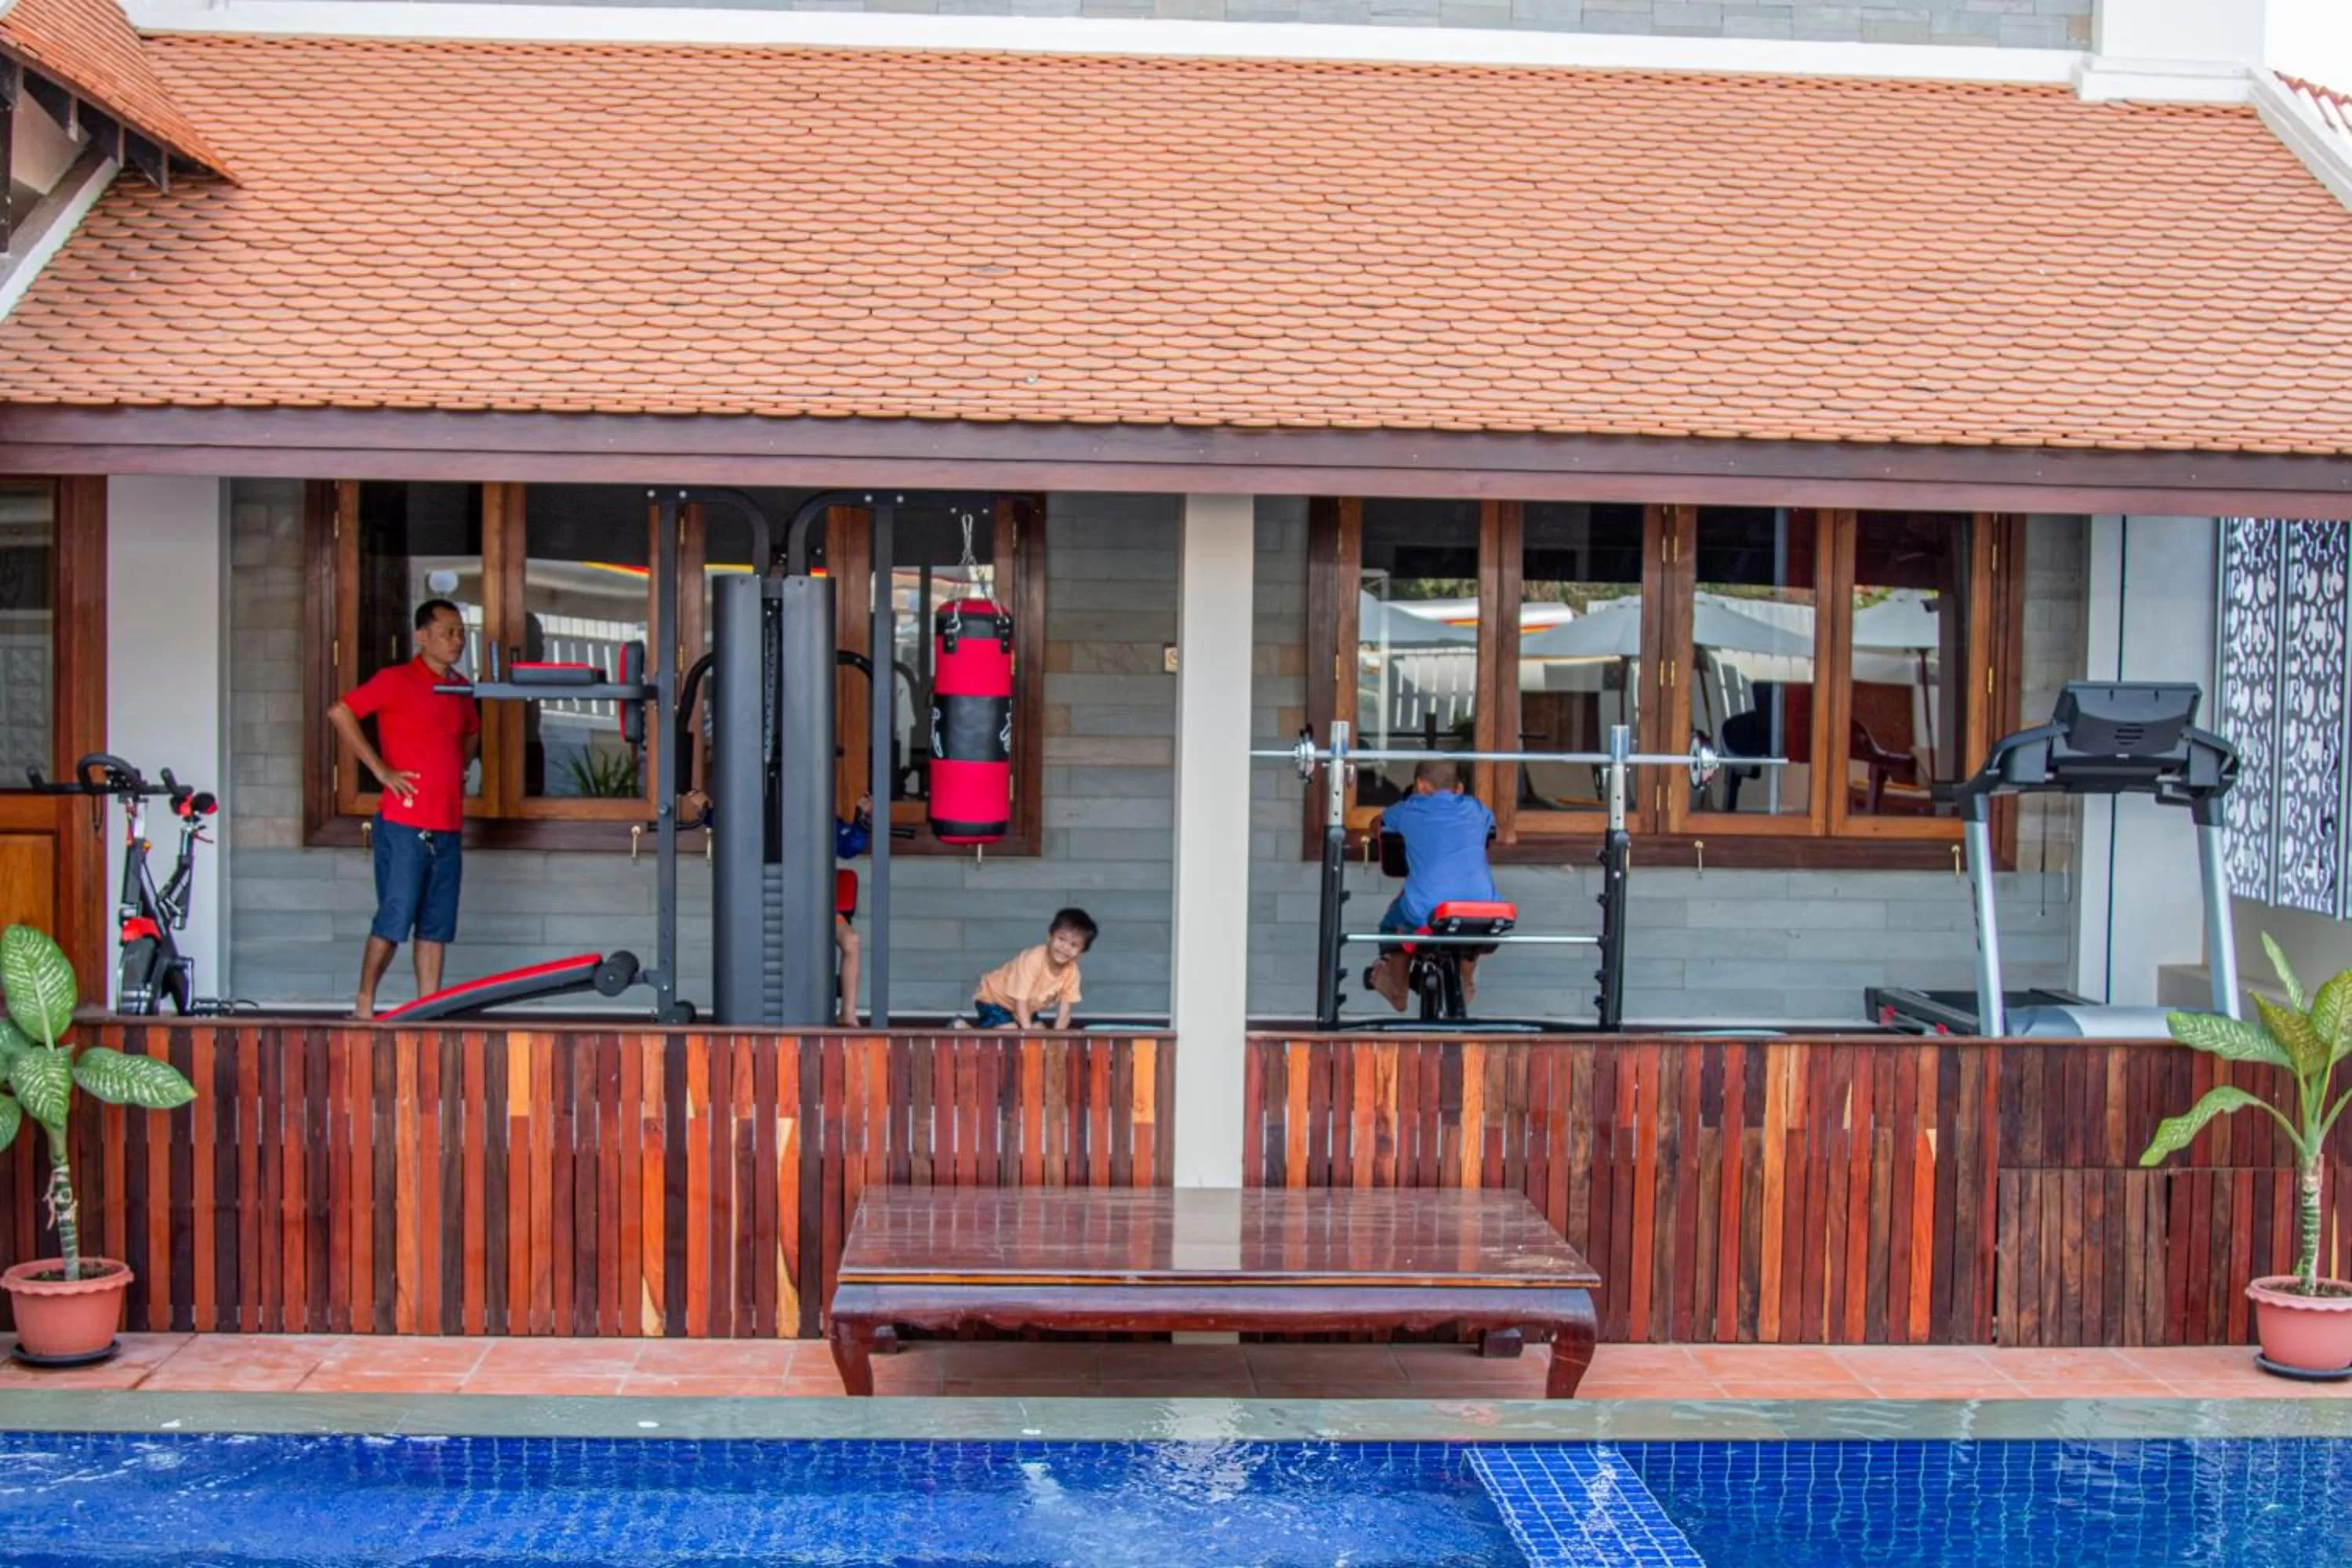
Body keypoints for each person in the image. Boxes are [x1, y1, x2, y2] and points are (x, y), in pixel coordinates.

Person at [328, 599, 481, 1019]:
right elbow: (341, 712)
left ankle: (427, 1008)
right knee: (395, 918)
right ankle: (364, 1005)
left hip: (447, 823)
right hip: (404, 824)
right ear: (422, 636)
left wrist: (462, 767)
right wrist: (380, 769)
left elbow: (471, 732)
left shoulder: (460, 687)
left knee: (436, 927)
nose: (457, 640)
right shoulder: (395, 680)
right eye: (448, 632)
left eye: (461, 632)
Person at [1367, 759, 1499, 1012]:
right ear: (1458, 788)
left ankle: (1398, 990)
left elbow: (1376, 826)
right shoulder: (1476, 808)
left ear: (1420, 785)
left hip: (1425, 910)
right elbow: (1503, 834)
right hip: (1485, 909)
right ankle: (1467, 981)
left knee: (1393, 923)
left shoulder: (1409, 808)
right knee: (1469, 928)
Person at [968, 908, 1097, 1029]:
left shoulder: (1072, 973)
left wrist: (1057, 1040)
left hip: (1022, 1008)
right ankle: (962, 1027)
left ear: (1082, 951)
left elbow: (1065, 1011)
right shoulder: (1033, 959)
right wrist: (1028, 1035)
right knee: (1011, 1035)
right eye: (1061, 939)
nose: (1065, 947)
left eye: (1074, 945)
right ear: (1050, 937)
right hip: (994, 1000)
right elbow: (1021, 1000)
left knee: (1042, 1037)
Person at [833, 795, 873, 1026]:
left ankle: (847, 1014)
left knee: (852, 941)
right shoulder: (766, 816)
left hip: (819, 908)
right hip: (776, 904)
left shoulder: (826, 824)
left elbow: (851, 847)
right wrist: (706, 810)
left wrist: (862, 819)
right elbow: (732, 823)